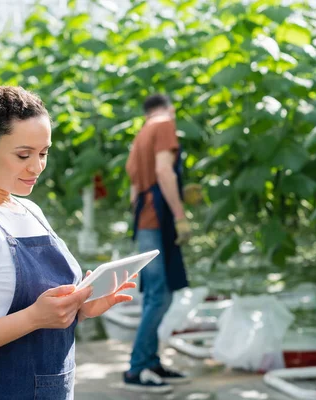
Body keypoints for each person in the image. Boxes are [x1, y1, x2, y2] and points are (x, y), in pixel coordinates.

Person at [0, 86, 136, 400]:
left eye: (43, 152)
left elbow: (37, 305)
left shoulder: (30, 211)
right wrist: (33, 317)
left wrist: (82, 307)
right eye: (23, 155)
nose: (37, 166)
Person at [123, 94, 193, 393]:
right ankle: (138, 367)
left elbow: (134, 188)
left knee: (158, 292)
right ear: (170, 109)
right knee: (159, 295)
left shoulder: (141, 134)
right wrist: (179, 215)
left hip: (144, 219)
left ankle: (150, 361)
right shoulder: (164, 124)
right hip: (157, 219)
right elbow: (164, 171)